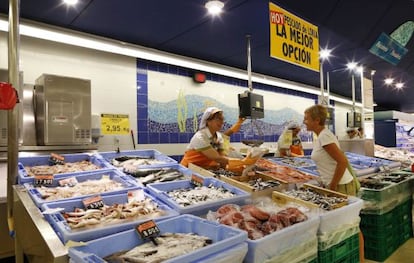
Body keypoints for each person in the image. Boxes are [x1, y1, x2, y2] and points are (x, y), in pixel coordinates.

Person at [303, 104, 359, 196]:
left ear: (317, 120)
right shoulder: (322, 136)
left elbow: (342, 161)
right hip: (336, 185)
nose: (304, 122)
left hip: (341, 187)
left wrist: (332, 187)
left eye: (306, 119)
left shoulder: (325, 136)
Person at [180, 107, 253, 170]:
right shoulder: (200, 137)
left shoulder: (219, 137)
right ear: (208, 121)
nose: (221, 122)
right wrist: (242, 162)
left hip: (203, 170)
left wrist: (235, 168)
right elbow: (217, 158)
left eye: (222, 119)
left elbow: (222, 157)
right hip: (188, 169)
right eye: (218, 119)